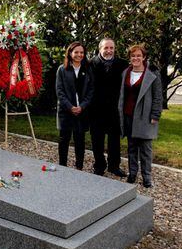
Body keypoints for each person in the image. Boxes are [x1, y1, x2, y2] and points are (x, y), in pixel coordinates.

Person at [118, 44, 162, 188]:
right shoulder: (126, 72)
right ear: (130, 58)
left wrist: (155, 114)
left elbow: (158, 97)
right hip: (128, 115)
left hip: (145, 116)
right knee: (131, 147)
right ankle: (132, 174)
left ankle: (147, 177)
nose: (135, 58)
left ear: (144, 57)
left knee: (145, 149)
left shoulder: (152, 75)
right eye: (133, 56)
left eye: (138, 56)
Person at [89, 38, 128, 177]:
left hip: (115, 110)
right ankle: (99, 165)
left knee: (114, 140)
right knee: (97, 141)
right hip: (96, 110)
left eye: (111, 48)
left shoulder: (122, 65)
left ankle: (114, 166)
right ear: (100, 49)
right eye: (106, 48)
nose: (109, 51)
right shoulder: (90, 64)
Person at [56, 42, 94, 170]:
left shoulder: (88, 70)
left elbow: (91, 91)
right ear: (70, 53)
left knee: (80, 141)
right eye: (76, 52)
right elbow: (59, 91)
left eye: (81, 52)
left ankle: (79, 167)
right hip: (66, 111)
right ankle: (62, 166)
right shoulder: (62, 69)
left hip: (82, 111)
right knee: (64, 140)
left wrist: (81, 107)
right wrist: (70, 107)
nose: (79, 55)